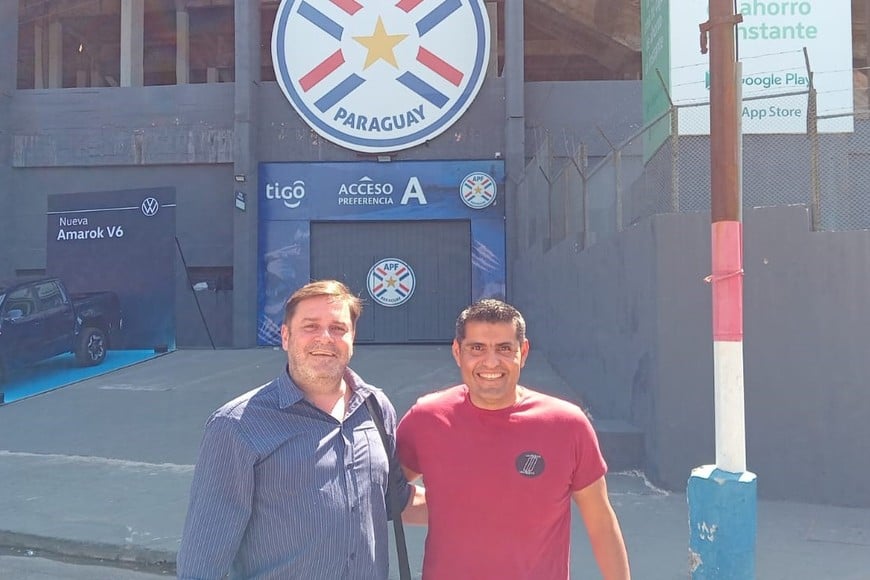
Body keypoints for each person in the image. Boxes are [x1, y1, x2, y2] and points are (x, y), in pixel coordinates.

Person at [177, 279, 424, 580]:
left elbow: (394, 499)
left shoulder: (375, 407)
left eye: (338, 328)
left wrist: (488, 505)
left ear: (352, 337)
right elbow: (204, 556)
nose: (325, 338)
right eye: (310, 326)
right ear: (285, 337)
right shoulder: (237, 425)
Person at [396, 299, 631, 579]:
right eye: (477, 348)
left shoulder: (568, 425)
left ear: (524, 351)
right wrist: (452, 507)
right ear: (458, 352)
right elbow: (382, 496)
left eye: (504, 348)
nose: (491, 361)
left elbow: (601, 523)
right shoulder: (426, 419)